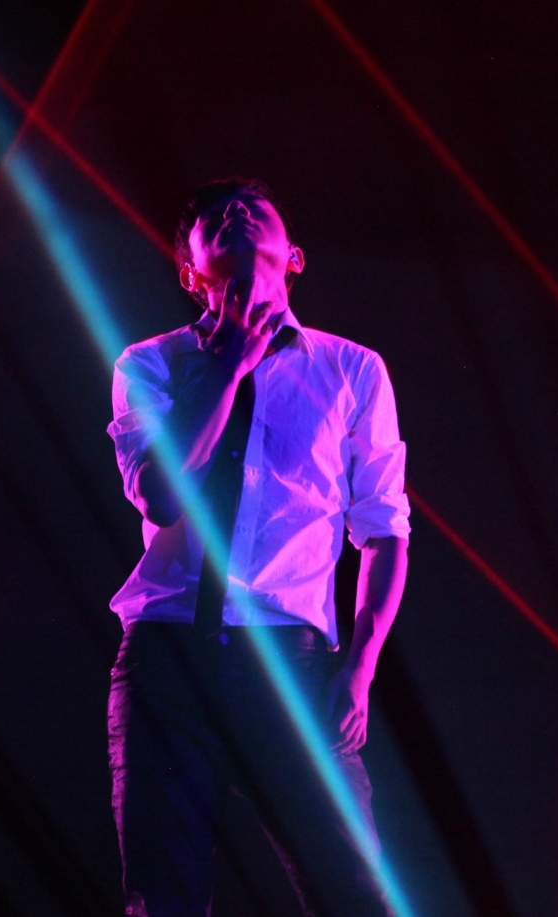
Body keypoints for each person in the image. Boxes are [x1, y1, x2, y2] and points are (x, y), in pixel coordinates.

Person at [107, 177, 410, 917]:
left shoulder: (352, 369)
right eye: (213, 214)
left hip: (291, 665)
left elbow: (384, 530)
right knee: (165, 899)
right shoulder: (151, 365)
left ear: (294, 256)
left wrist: (361, 666)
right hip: (169, 659)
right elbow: (160, 494)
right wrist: (229, 363)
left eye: (253, 207)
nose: (235, 211)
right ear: (191, 274)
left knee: (355, 893)